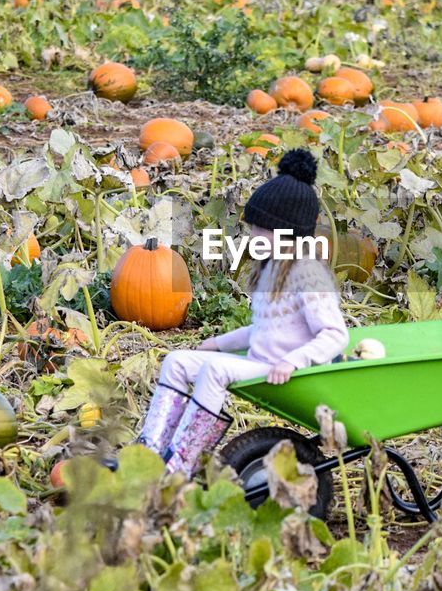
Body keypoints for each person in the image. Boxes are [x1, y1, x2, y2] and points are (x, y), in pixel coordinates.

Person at [134, 149, 349, 477]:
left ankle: (181, 464)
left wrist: (294, 361)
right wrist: (218, 343)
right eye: (255, 228)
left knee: (216, 372)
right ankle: (151, 449)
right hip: (259, 361)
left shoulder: (307, 273)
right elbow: (265, 330)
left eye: (264, 230)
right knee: (176, 361)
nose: (255, 236)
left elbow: (335, 334)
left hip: (286, 371)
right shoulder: (270, 268)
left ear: (290, 232)